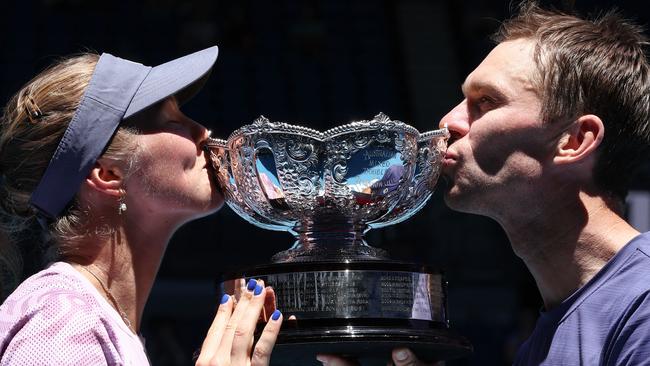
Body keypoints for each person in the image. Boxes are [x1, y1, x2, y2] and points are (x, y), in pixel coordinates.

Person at [319, 1, 650, 365]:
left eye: (486, 102)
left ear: (574, 141)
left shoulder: (643, 303)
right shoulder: (545, 339)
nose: (448, 121)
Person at [0, 46, 283, 365]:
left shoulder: (91, 319)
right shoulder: (65, 320)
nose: (203, 131)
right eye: (171, 119)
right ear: (107, 173)